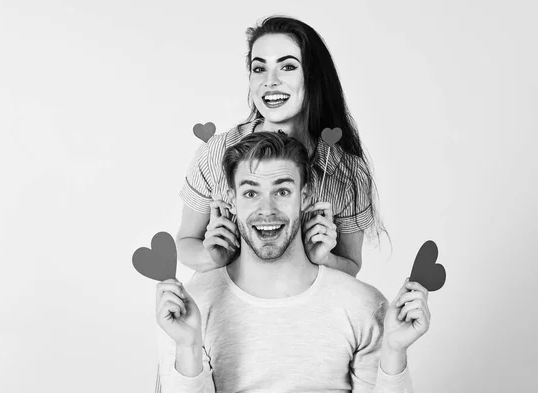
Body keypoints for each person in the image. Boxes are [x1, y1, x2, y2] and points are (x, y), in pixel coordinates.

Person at [156, 132, 430, 392]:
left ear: (306, 197)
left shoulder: (364, 307)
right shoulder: (192, 309)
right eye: (251, 193)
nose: (267, 209)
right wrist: (188, 347)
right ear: (232, 200)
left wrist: (394, 351)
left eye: (283, 192)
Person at [177, 15, 385, 278]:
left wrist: (322, 257)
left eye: (287, 67)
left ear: (313, 77)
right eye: (259, 68)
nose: (270, 81)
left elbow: (351, 265)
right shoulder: (217, 152)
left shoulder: (347, 172)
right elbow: (185, 243)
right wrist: (214, 255)